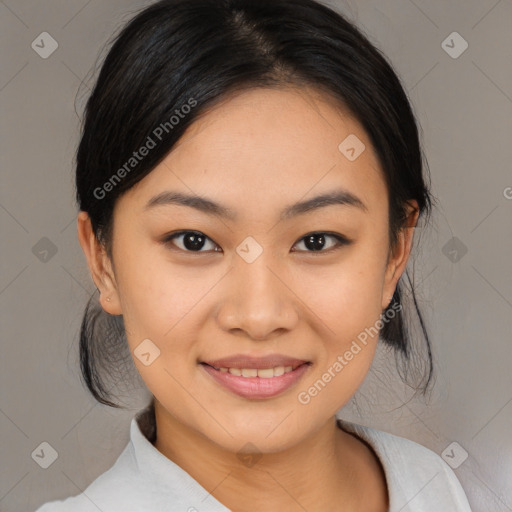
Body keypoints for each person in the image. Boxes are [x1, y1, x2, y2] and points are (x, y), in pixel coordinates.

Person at [35, 0, 473, 510]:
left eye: (317, 241)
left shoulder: (434, 488)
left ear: (395, 254)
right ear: (103, 260)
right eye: (193, 240)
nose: (260, 315)